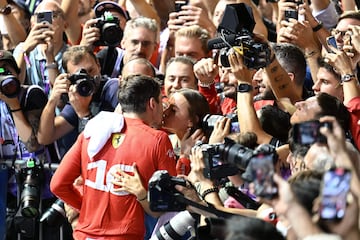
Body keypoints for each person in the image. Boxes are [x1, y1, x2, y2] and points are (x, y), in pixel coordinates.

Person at [50, 74, 177, 239]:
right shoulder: (158, 139)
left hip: (85, 235)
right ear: (152, 104)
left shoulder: (92, 131)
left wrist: (87, 207)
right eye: (161, 101)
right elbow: (169, 202)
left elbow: (58, 185)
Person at [0, 50, 70, 239]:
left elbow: (33, 145)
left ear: (18, 73)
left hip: (46, 188)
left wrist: (14, 104)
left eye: (7, 71)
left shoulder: (32, 93)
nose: (3, 78)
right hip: (13, 193)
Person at [37, 45, 119, 155]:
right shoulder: (78, 95)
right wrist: (52, 100)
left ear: (98, 65)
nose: (88, 78)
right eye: (80, 75)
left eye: (90, 71)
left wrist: (83, 113)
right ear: (70, 77)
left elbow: (103, 145)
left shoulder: (113, 89)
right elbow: (44, 138)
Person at [14, 0, 68, 91]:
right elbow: (14, 86)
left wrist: (49, 57)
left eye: (53, 16)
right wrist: (24, 51)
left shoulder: (70, 55)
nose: (46, 22)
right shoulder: (21, 49)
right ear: (32, 23)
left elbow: (61, 98)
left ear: (65, 24)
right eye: (41, 17)